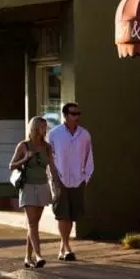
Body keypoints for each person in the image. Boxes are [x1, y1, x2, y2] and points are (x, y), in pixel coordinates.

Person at [46, 101, 93, 261]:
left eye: (78, 113)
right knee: (62, 214)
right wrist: (53, 176)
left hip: (77, 179)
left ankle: (62, 248)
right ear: (65, 115)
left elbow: (89, 156)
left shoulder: (85, 135)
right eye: (73, 114)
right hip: (60, 178)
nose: (77, 117)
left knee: (72, 214)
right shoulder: (54, 134)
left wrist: (85, 177)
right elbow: (49, 157)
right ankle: (67, 247)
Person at [9, 116, 56, 268]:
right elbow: (11, 166)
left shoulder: (47, 147)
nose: (46, 130)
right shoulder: (23, 146)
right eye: (43, 127)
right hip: (28, 186)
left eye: (46, 127)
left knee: (34, 224)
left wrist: (57, 185)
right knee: (32, 223)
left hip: (42, 186)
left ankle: (27, 257)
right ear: (35, 128)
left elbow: (52, 168)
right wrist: (24, 159)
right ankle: (39, 256)